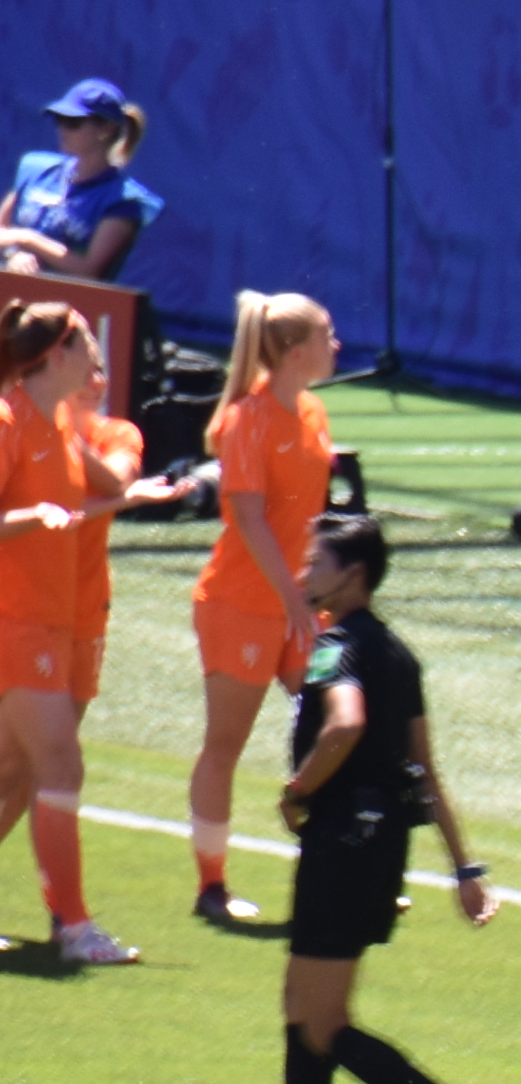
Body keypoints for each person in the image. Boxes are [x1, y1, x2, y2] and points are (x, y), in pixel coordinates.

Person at [216, 516, 505, 1084]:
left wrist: (299, 789)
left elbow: (343, 724)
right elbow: (425, 769)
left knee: (321, 1021)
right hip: (382, 849)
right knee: (303, 1004)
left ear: (353, 574)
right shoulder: (400, 656)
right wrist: (465, 870)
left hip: (342, 843)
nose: (306, 572)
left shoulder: (335, 644)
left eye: (317, 562)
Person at [180, 291, 340, 931]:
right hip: (243, 604)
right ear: (297, 351)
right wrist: (292, 597)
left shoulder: (312, 410)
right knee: (226, 743)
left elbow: (311, 515)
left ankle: (337, 867)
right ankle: (211, 885)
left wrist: (316, 593)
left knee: (340, 722)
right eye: (327, 335)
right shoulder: (249, 419)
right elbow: (248, 518)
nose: (337, 345)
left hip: (298, 605)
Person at [0, 301, 134, 961]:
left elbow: (99, 491)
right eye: (84, 341)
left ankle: (72, 926)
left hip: (49, 621)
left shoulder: (55, 423)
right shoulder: (8, 420)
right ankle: (73, 927)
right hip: (15, 622)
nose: (94, 354)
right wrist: (34, 516)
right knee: (58, 762)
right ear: (56, 354)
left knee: (13, 774)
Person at [3, 78, 158, 279]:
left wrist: (29, 240)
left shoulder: (123, 201)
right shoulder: (34, 168)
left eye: (73, 123)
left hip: (69, 307)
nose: (62, 130)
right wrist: (13, 253)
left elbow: (89, 270)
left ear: (106, 130)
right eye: (59, 120)